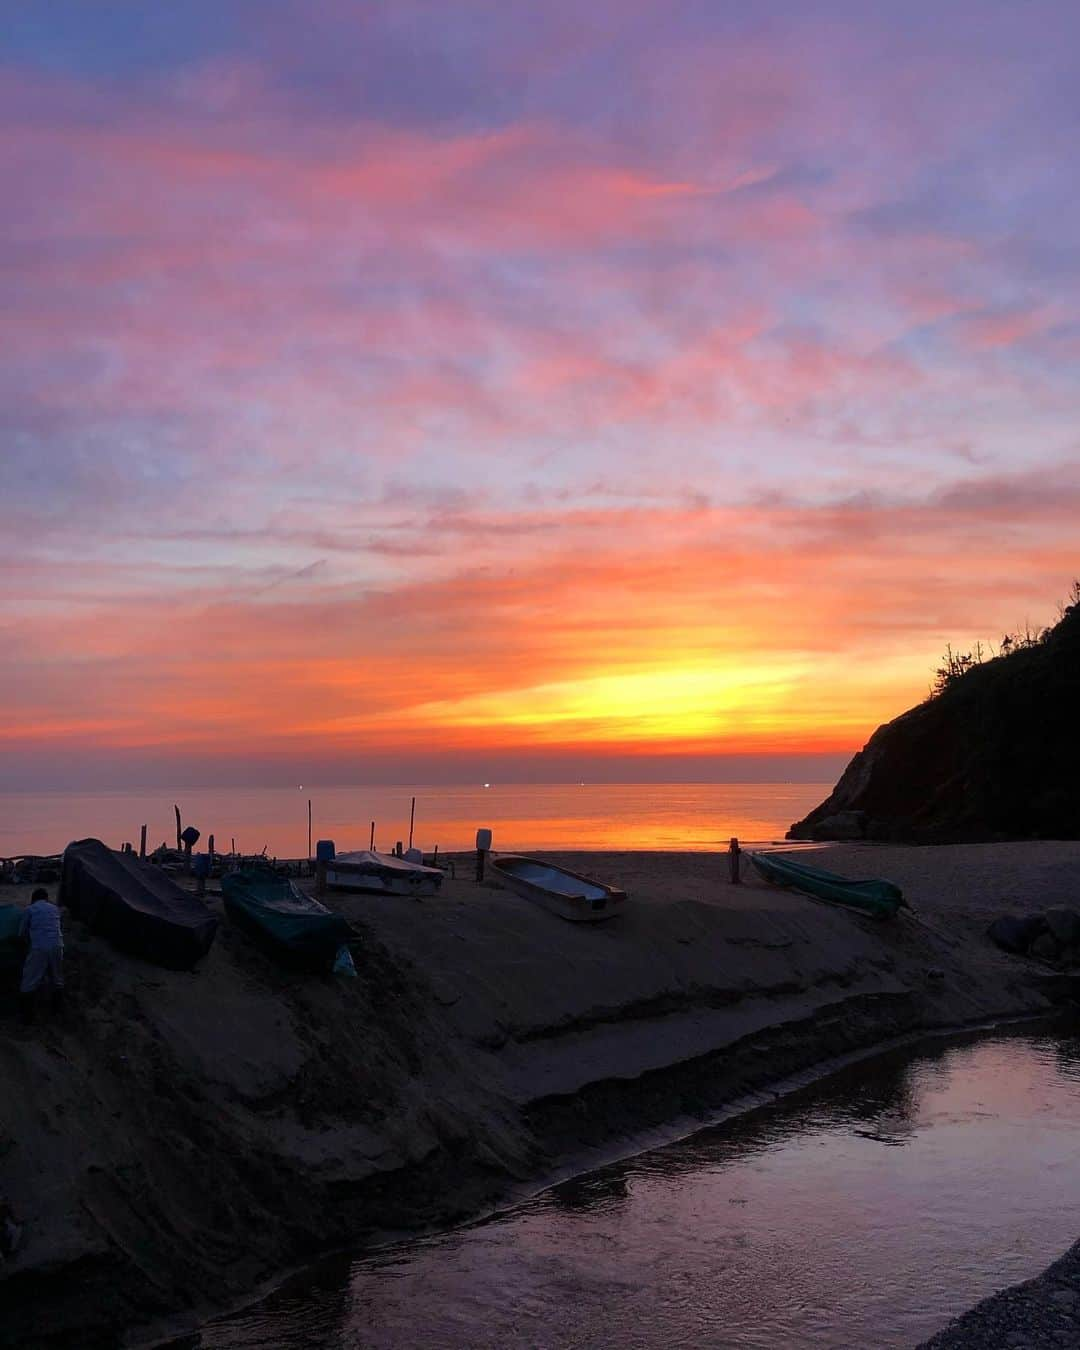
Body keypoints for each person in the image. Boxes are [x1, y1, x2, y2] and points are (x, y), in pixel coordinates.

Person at [18, 887, 63, 1023]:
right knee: (57, 978)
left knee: (29, 981)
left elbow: (21, 933)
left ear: (33, 899)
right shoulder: (55, 909)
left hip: (39, 948)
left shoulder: (29, 910)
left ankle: (28, 1017)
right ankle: (57, 1010)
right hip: (58, 945)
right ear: (46, 898)